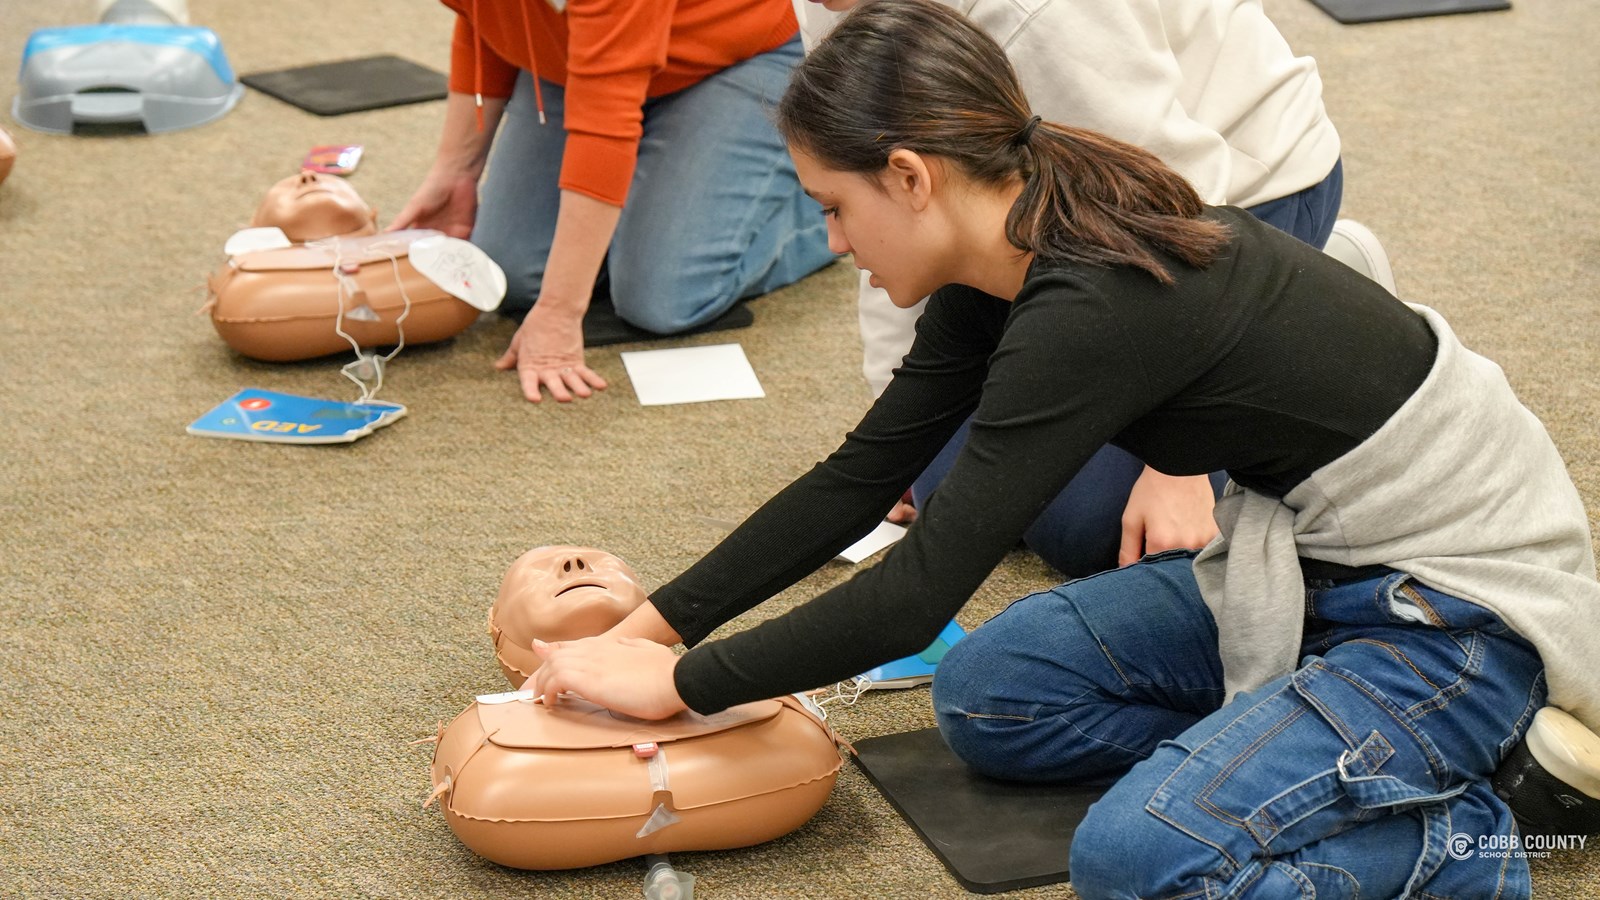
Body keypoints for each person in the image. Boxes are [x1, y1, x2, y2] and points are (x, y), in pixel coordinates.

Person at [527, 1, 1600, 894]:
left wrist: (683, 682)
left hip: (1451, 605)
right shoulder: (998, 256)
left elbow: (915, 593)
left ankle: (1467, 842)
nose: (833, 243)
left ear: (909, 176)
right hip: (1313, 562)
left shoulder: (1088, 302)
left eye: (835, 208)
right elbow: (857, 479)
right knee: (992, 700)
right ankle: (1358, 759)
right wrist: (654, 622)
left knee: (1139, 864)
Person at [799, 0, 1351, 578]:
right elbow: (874, 200)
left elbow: (1182, 204)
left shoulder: (1047, 14)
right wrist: (898, 420)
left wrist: (1183, 464)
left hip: (1228, 200)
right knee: (955, 494)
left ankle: (1315, 296)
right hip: (1041, 217)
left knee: (1092, 531)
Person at [392, 0, 836, 403]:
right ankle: (651, 200)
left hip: (733, 57)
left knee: (663, 297)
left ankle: (814, 213)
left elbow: (605, 126)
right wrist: (456, 172)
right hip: (573, 61)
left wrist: (562, 309)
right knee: (507, 274)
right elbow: (484, 21)